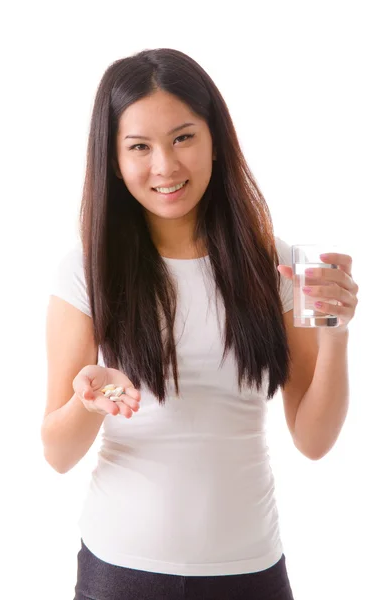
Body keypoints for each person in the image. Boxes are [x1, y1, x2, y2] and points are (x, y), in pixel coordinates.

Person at [42, 48, 359, 600]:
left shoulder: (275, 264)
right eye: (139, 147)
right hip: (121, 572)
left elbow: (313, 440)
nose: (164, 166)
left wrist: (335, 337)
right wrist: (87, 403)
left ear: (216, 140)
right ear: (114, 160)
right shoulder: (86, 270)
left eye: (183, 137)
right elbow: (57, 453)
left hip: (251, 571)